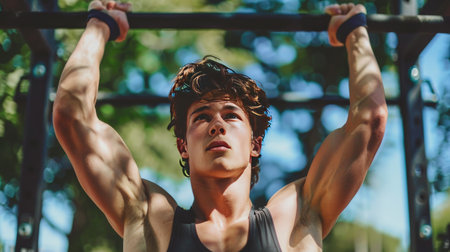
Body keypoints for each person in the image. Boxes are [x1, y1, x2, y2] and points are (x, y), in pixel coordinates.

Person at [53, 1, 388, 251]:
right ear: (183, 145)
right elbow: (72, 115)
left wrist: (354, 31)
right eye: (201, 117)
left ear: (255, 144)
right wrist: (99, 25)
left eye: (231, 115)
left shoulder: (295, 218)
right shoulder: (151, 217)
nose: (217, 124)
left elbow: (370, 120)